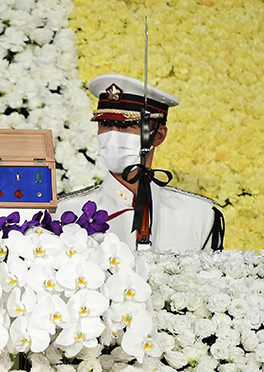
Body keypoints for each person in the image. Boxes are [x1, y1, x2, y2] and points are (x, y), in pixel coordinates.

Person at [56, 74, 224, 251]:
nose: (112, 135)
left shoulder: (198, 214)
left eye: (127, 125)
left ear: (158, 136)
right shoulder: (65, 213)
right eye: (105, 124)